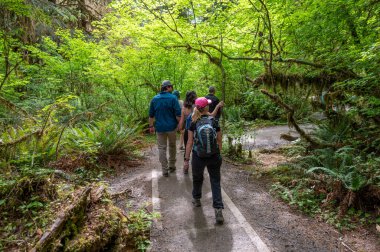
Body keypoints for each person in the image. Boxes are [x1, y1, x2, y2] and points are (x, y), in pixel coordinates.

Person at [184, 97, 224, 224]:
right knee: (215, 181)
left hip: (198, 156)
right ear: (206, 107)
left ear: (197, 108)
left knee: (197, 178)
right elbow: (219, 140)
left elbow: (189, 143)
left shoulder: (193, 122)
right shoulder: (214, 120)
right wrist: (219, 153)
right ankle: (218, 210)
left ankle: (196, 199)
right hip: (214, 156)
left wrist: (186, 159)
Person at [149, 80, 181, 177]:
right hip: (172, 127)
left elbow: (151, 116)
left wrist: (151, 126)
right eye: (171, 86)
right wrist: (180, 125)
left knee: (162, 148)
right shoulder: (173, 98)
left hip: (160, 128)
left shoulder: (154, 99)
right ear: (167, 87)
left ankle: (164, 170)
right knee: (172, 146)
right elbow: (178, 115)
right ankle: (172, 165)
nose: (172, 88)